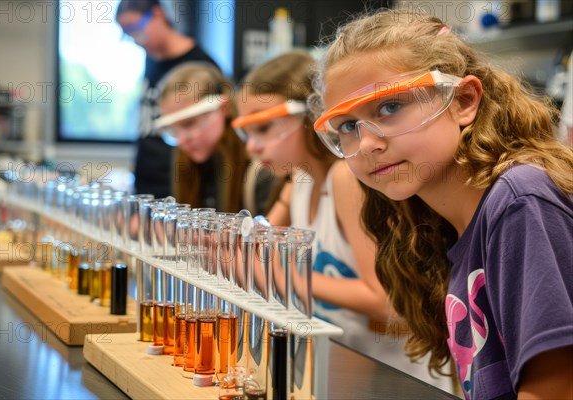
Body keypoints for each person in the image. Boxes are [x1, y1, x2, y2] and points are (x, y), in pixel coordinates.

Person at [311, 9, 573, 399]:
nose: (367, 143)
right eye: (347, 126)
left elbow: (554, 389)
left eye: (389, 107)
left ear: (463, 100)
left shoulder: (519, 199)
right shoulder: (432, 225)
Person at [232, 51, 453, 390]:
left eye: (263, 127)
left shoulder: (345, 179)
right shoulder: (299, 181)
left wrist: (280, 274)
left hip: (396, 380)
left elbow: (387, 302)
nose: (252, 148)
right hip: (337, 371)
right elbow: (253, 245)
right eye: (246, 133)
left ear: (309, 117)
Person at [116, 0, 217, 198]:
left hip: (178, 189)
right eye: (128, 35)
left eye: (136, 29)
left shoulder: (200, 65)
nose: (136, 40)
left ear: (158, 14)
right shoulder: (151, 59)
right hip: (145, 186)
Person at [155, 62, 249, 212]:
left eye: (189, 124)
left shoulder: (254, 165)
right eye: (173, 130)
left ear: (223, 108)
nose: (182, 140)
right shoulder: (188, 163)